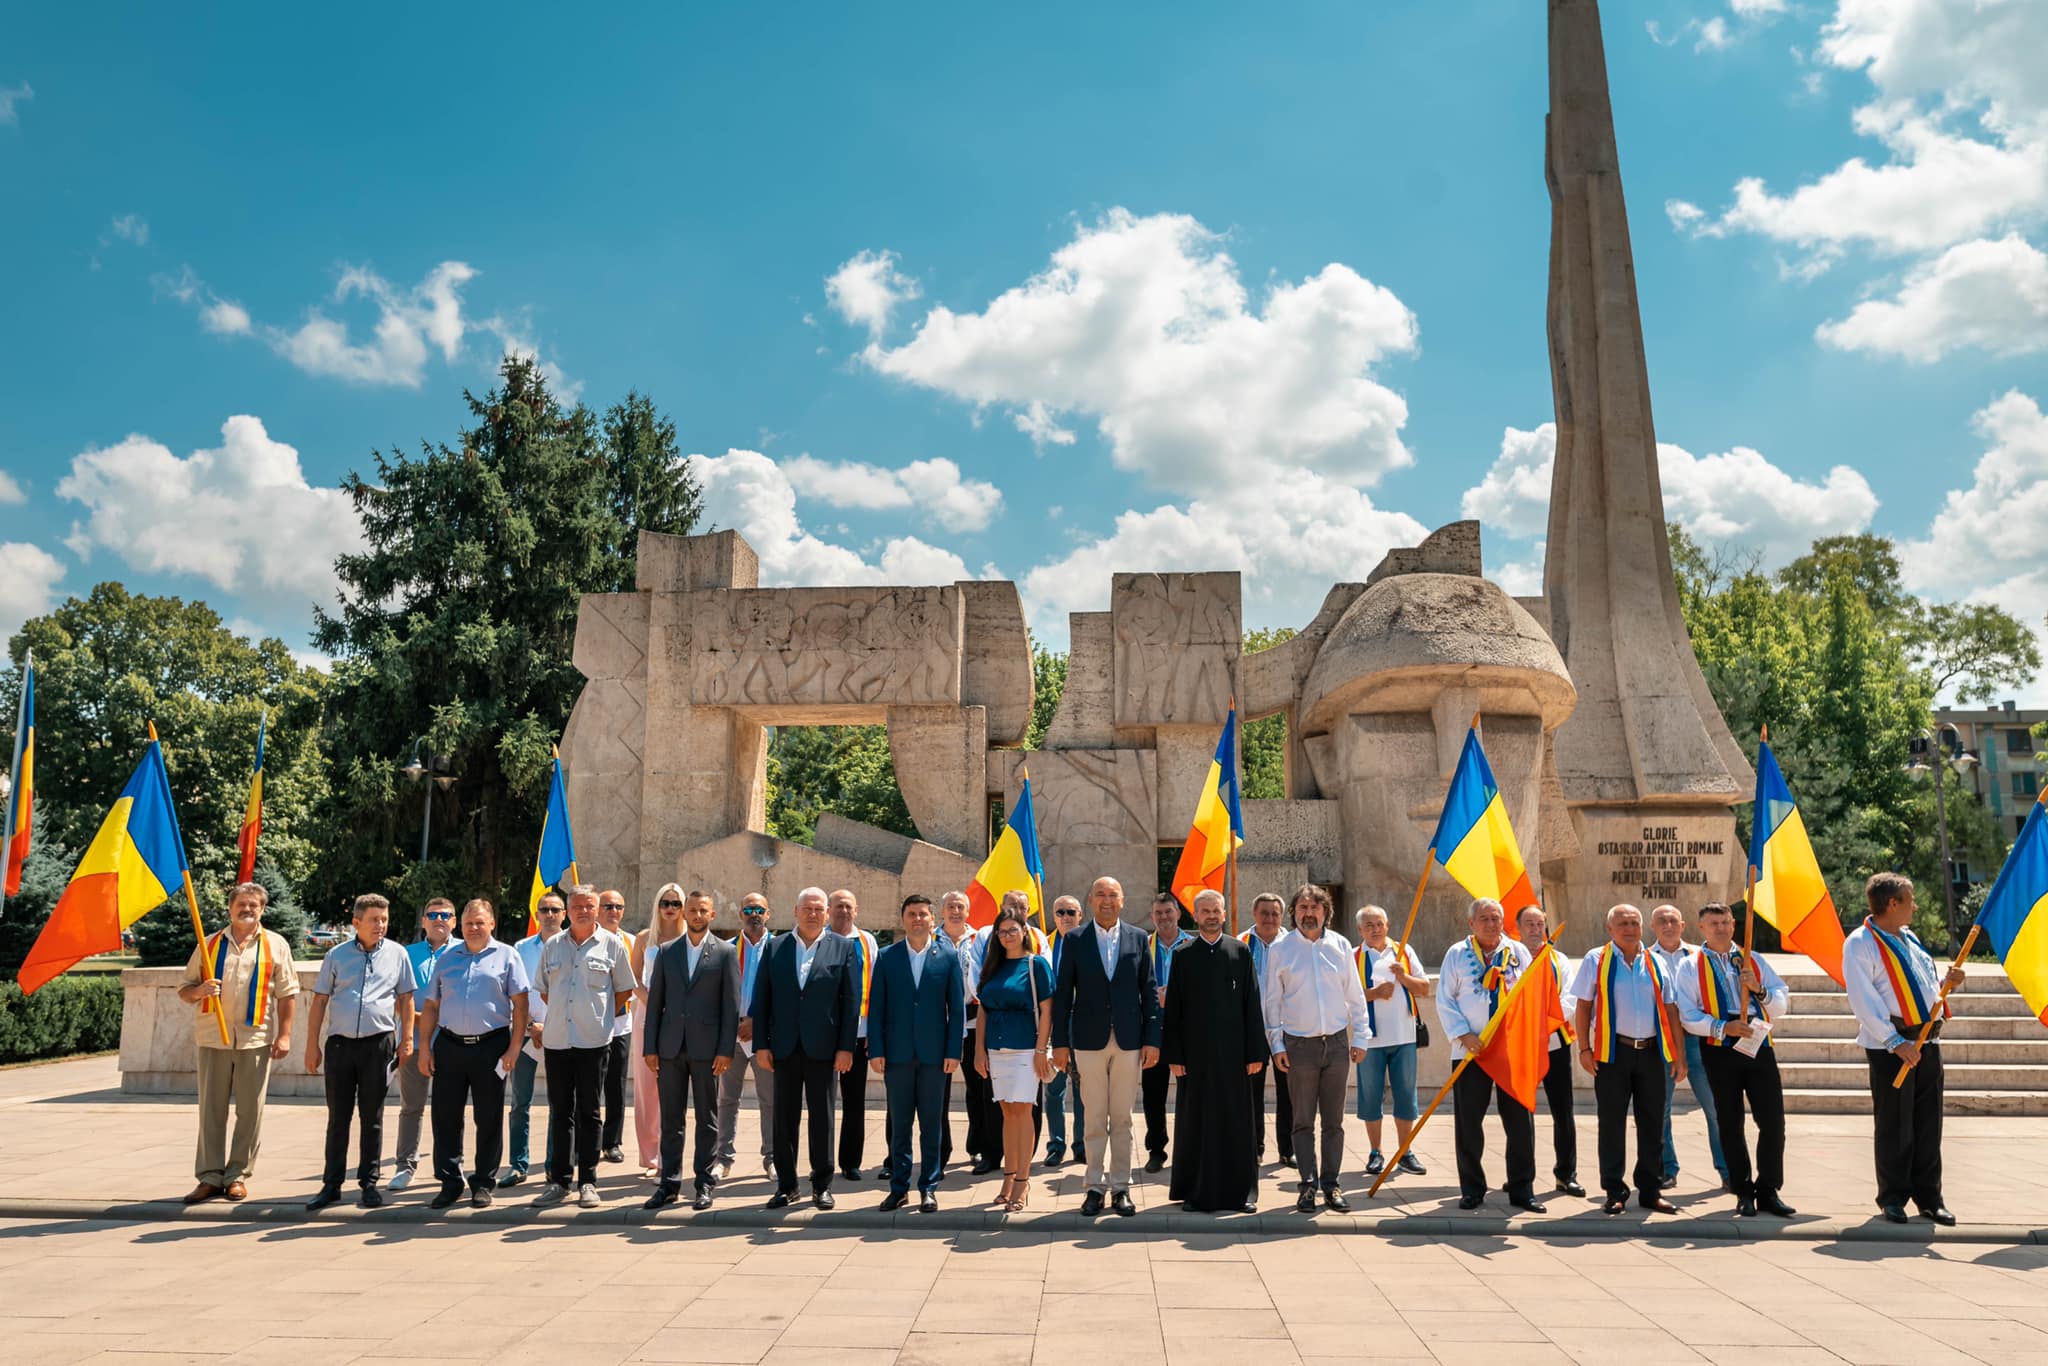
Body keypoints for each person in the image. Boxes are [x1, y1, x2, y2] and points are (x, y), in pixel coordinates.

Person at [1844, 873, 1964, 1226]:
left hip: (1927, 1041)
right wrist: (1895, 1042)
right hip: (1892, 1045)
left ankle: (1930, 1196)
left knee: (1929, 1123)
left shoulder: (1909, 938)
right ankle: (1893, 1196)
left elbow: (1923, 987)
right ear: (1892, 903)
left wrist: (1947, 985)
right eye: (1910, 899)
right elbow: (1863, 1000)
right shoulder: (1860, 943)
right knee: (1895, 1124)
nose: (1915, 905)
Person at [177, 881, 299, 1204]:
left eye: (253, 905)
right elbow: (184, 989)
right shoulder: (210, 944)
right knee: (211, 1111)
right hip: (212, 1038)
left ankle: (238, 1175)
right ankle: (209, 1176)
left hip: (255, 1039)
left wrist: (284, 1035)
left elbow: (287, 994)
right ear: (230, 908)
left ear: (262, 909)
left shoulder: (276, 945)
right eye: (241, 904)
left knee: (250, 1111)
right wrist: (201, 991)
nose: (247, 909)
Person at [1675, 902, 1794, 1218]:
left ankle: (1768, 1189)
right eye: (1714, 923)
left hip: (1757, 1039)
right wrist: (1724, 1026)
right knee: (1729, 1120)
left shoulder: (1752, 958)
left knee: (1772, 1120)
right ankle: (1743, 1191)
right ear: (1701, 928)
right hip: (1719, 1043)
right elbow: (1687, 1014)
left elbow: (1782, 999)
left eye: (1726, 922)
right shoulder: (1690, 965)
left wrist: (1760, 989)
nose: (1722, 928)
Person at [1049, 875, 1159, 1218]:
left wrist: (1152, 1039)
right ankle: (1095, 1185)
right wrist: (1061, 1044)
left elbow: (1150, 991)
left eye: (1113, 894)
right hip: (1088, 1041)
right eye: (1100, 895)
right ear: (1091, 900)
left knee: (1123, 1118)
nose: (1107, 900)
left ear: (1123, 900)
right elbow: (1064, 994)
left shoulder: (1139, 938)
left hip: (1128, 1041)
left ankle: (1122, 1187)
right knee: (1095, 1116)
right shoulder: (1076, 939)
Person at [751, 885, 861, 1208]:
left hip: (824, 1048)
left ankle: (821, 1184)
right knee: (784, 1117)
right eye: (807, 908)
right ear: (796, 912)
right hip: (783, 1047)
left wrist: (846, 1047)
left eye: (818, 909)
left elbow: (850, 1002)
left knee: (822, 1117)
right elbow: (763, 998)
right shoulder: (776, 947)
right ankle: (787, 1185)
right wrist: (761, 1045)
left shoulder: (843, 948)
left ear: (826, 914)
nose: (813, 914)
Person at [1572, 903, 1686, 1215]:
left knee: (1652, 1123)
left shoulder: (1656, 962)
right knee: (1611, 1123)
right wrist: (1584, 1048)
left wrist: (1679, 1055)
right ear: (1610, 929)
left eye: (1634, 923)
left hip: (1651, 1053)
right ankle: (1614, 1190)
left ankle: (1650, 1189)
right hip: (1612, 1053)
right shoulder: (1596, 959)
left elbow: (1671, 1009)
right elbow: (1583, 1006)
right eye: (1622, 923)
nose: (1629, 928)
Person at [417, 898, 529, 1209]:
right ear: (460, 926)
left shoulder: (508, 956)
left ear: (492, 924)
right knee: (445, 1117)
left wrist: (515, 1047)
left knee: (489, 1116)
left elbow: (521, 1005)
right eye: (468, 923)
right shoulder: (448, 958)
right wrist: (425, 1047)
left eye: (480, 922)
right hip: (449, 1046)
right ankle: (450, 1181)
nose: (474, 928)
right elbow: (430, 1005)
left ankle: (483, 1182)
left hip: (491, 1046)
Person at [304, 893, 414, 1211]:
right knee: (338, 1117)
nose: (380, 925)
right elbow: (320, 1000)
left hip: (377, 1045)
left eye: (384, 919)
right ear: (356, 923)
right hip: (339, 1046)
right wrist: (312, 1045)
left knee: (372, 1117)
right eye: (374, 920)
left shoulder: (397, 954)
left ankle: (369, 1184)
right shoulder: (337, 956)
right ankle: (332, 1184)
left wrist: (406, 1039)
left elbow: (406, 999)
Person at [1261, 884, 1368, 1212]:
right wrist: (1276, 1044)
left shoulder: (1340, 946)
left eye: (1315, 907)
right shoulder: (1281, 949)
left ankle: (1331, 1185)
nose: (1308, 913)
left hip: (1336, 1044)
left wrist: (1361, 1036)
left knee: (1334, 1121)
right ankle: (1307, 1184)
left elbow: (1355, 995)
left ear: (1325, 912)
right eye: (1303, 908)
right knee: (1303, 1120)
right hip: (1299, 1046)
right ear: (1294, 912)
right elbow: (1272, 1002)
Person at [1164, 889, 1270, 1213]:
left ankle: (1241, 1194)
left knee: (1236, 1123)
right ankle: (1195, 1193)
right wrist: (1175, 1056)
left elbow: (1252, 1004)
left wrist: (1256, 1052)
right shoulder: (1182, 955)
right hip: (1194, 1059)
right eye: (1205, 911)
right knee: (1196, 1124)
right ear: (1195, 916)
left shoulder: (1240, 952)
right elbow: (1175, 1012)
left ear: (1224, 914)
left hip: (1235, 1058)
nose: (1211, 916)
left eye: (1216, 910)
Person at [534, 886, 638, 1209]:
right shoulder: (552, 946)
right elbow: (544, 991)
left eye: (588, 905)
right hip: (557, 1041)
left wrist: (597, 1016)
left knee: (590, 1113)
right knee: (560, 1112)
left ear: (596, 909)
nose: (582, 910)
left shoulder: (612, 945)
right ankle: (560, 1181)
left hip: (593, 1042)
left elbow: (624, 991)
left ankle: (588, 1181)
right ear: (567, 911)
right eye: (576, 906)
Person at [1437, 897, 1541, 1212]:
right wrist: (1464, 1034)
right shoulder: (1456, 954)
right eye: (1484, 918)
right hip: (1472, 1051)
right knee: (1469, 1123)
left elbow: (1530, 995)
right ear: (1471, 923)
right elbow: (1445, 999)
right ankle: (1472, 1189)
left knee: (1520, 1122)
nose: (1491, 923)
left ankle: (1522, 1189)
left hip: (1510, 1051)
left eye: (1496, 918)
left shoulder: (1517, 952)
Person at [642, 888, 739, 1211]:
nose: (697, 916)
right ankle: (669, 1183)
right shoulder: (667, 952)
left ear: (712, 915)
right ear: (684, 913)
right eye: (692, 910)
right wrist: (650, 1047)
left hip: (708, 1051)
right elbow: (655, 1004)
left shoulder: (725, 952)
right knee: (671, 1119)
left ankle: (704, 1183)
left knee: (707, 1119)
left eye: (703, 911)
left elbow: (731, 1007)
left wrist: (726, 1050)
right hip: (670, 1049)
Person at [868, 893, 964, 1212]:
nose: (918, 919)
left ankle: (929, 1186)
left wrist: (954, 1050)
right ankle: (899, 1186)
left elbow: (957, 1009)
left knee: (931, 1124)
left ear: (932, 919)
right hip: (896, 1055)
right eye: (912, 913)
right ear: (903, 919)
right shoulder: (887, 956)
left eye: (923, 914)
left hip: (935, 1056)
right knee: (900, 1125)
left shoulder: (947, 955)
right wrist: (876, 1050)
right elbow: (877, 1007)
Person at [975, 903, 1054, 1211]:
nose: (1008, 935)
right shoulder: (992, 965)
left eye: (1013, 930)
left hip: (1025, 1049)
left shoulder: (1036, 965)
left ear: (1024, 932)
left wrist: (1040, 1050)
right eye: (1002, 931)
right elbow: (983, 1010)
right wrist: (979, 1050)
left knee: (1023, 1113)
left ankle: (1022, 1181)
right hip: (996, 1049)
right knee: (1007, 1114)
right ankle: (1008, 1177)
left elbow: (1048, 1010)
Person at [1648, 904, 1727, 1191]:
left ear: (1683, 925)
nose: (1668, 925)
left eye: (1673, 920)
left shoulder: (1699, 956)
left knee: (1716, 1107)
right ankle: (1667, 1169)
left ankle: (1727, 1169)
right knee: (1661, 1110)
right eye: (1661, 921)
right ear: (1653, 927)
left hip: (1699, 1040)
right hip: (1663, 1042)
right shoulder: (1646, 958)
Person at [1354, 904, 1431, 1181]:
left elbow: (1424, 988)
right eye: (1369, 925)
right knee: (1371, 1097)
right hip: (1370, 1040)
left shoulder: (1403, 952)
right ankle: (1376, 1152)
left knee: (1405, 1096)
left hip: (1404, 1037)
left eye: (1379, 924)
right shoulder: (1354, 957)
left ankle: (1405, 1152)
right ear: (1360, 930)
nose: (1375, 930)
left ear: (1387, 925)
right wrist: (1373, 994)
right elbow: (1344, 998)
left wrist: (1403, 976)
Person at [389, 897, 457, 1191]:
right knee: (411, 1107)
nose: (439, 919)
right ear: (423, 921)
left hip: (453, 1043)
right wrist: (421, 1020)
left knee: (449, 1108)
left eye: (446, 915)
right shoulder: (407, 954)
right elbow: (395, 996)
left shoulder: (464, 951)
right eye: (433, 914)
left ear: (454, 921)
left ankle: (450, 1165)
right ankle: (405, 1166)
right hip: (414, 1041)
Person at [1516, 904, 1581, 1197]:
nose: (1534, 929)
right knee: (1520, 1111)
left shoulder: (1559, 960)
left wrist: (1544, 1024)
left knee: (1562, 1111)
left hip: (1554, 1041)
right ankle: (1520, 1175)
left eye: (1539, 924)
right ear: (1518, 928)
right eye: (1528, 923)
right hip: (1519, 1044)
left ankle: (1566, 1174)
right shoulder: (1510, 959)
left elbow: (1569, 999)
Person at [502, 894, 564, 1187]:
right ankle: (518, 1164)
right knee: (520, 1104)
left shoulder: (571, 947)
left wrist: (548, 1028)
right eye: (544, 910)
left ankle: (554, 1164)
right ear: (536, 914)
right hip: (526, 1037)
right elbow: (515, 993)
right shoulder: (521, 949)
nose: (549, 914)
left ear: (563, 914)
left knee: (559, 1104)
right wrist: (531, 1025)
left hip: (561, 1037)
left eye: (555, 910)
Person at [715, 893, 775, 1181]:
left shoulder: (779, 948)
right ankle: (722, 1157)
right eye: (748, 908)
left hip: (764, 1037)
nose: (754, 913)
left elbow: (784, 997)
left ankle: (772, 1157)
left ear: (768, 914)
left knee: (770, 1099)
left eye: (759, 909)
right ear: (740, 914)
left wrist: (757, 1023)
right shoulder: (725, 949)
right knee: (727, 1099)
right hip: (731, 1036)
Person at [631, 884, 687, 1179]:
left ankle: (670, 1155)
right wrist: (652, 1001)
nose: (670, 907)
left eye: (676, 903)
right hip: (648, 1015)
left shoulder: (689, 937)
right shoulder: (644, 938)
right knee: (646, 1089)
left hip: (680, 1018)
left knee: (674, 1088)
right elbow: (632, 978)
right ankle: (651, 1157)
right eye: (665, 902)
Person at [1240, 892, 1294, 1169]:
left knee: (1290, 1093)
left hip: (1287, 1030)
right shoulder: (1240, 944)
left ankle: (1288, 1149)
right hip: (1252, 1030)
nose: (1269, 919)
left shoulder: (1293, 944)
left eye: (1274, 913)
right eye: (1264, 913)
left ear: (1282, 916)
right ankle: (1255, 1146)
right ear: (1254, 914)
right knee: (1251, 1093)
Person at [828, 888, 879, 1181]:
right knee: (822, 1103)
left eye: (848, 907)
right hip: (825, 1034)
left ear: (856, 910)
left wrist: (873, 1031)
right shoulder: (820, 939)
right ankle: (821, 1161)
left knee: (854, 1101)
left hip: (859, 1033)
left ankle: (850, 1161)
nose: (843, 911)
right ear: (828, 910)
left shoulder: (866, 941)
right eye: (838, 906)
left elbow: (875, 987)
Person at [1142, 891, 1189, 1174]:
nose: (1164, 917)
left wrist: (1177, 996)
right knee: (1153, 1095)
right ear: (1152, 917)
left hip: (1186, 1035)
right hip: (1154, 1033)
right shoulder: (1143, 946)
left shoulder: (1194, 946)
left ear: (1178, 914)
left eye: (1168, 912)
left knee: (1189, 1094)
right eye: (1158, 913)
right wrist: (1152, 996)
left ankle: (1187, 1149)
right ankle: (1156, 1149)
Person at [1041, 896, 1089, 1168]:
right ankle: (1055, 1145)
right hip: (1053, 1023)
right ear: (1054, 915)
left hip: (1081, 1024)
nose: (1065, 916)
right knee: (1054, 1088)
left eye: (1071, 911)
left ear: (1080, 914)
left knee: (1083, 1090)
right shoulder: (1043, 945)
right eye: (1060, 912)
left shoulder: (1087, 941)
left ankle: (1081, 1145)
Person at [938, 890, 979, 1170]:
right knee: (939, 1091)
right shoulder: (930, 939)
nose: (955, 911)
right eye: (950, 906)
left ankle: (977, 1147)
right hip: (939, 1022)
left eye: (960, 907)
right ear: (942, 911)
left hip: (974, 1019)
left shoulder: (980, 939)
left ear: (968, 911)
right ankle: (940, 1150)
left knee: (978, 1089)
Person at [596, 889, 635, 1165]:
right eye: (607, 906)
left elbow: (633, 983)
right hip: (591, 1025)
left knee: (616, 1086)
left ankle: (612, 1142)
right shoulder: (588, 938)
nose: (613, 911)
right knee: (587, 1085)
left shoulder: (631, 941)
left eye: (618, 906)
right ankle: (585, 1141)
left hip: (621, 1024)